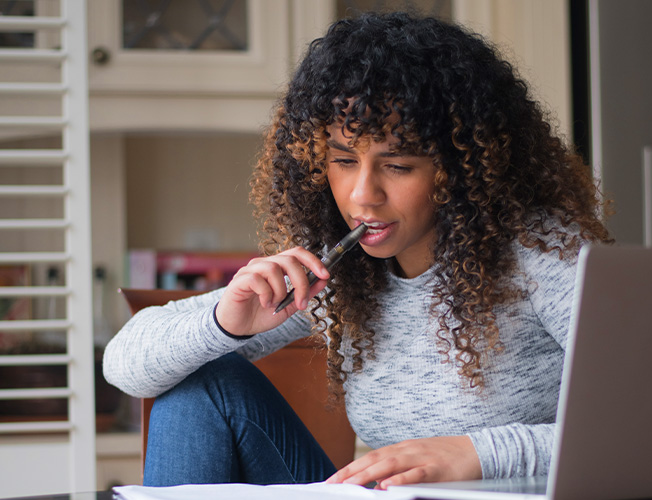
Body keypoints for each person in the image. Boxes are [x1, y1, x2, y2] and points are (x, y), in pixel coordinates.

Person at [103, 11, 613, 490]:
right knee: (200, 378)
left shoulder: (546, 253)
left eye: (397, 165)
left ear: (461, 168)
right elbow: (124, 367)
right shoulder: (341, 273)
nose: (361, 195)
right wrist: (224, 323)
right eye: (344, 161)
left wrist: (478, 453)